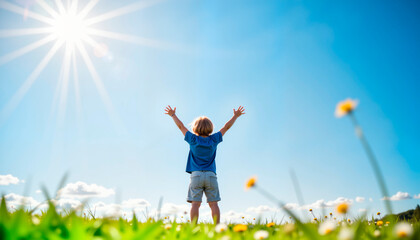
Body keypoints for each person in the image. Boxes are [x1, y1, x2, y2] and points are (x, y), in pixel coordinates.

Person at [164, 105, 245, 224]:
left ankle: (193, 227)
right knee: (214, 204)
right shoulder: (214, 139)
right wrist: (235, 116)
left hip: (196, 175)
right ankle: (217, 227)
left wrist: (173, 115)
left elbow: (181, 126)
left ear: (195, 128)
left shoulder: (192, 139)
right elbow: (226, 127)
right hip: (211, 176)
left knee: (195, 204)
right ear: (210, 128)